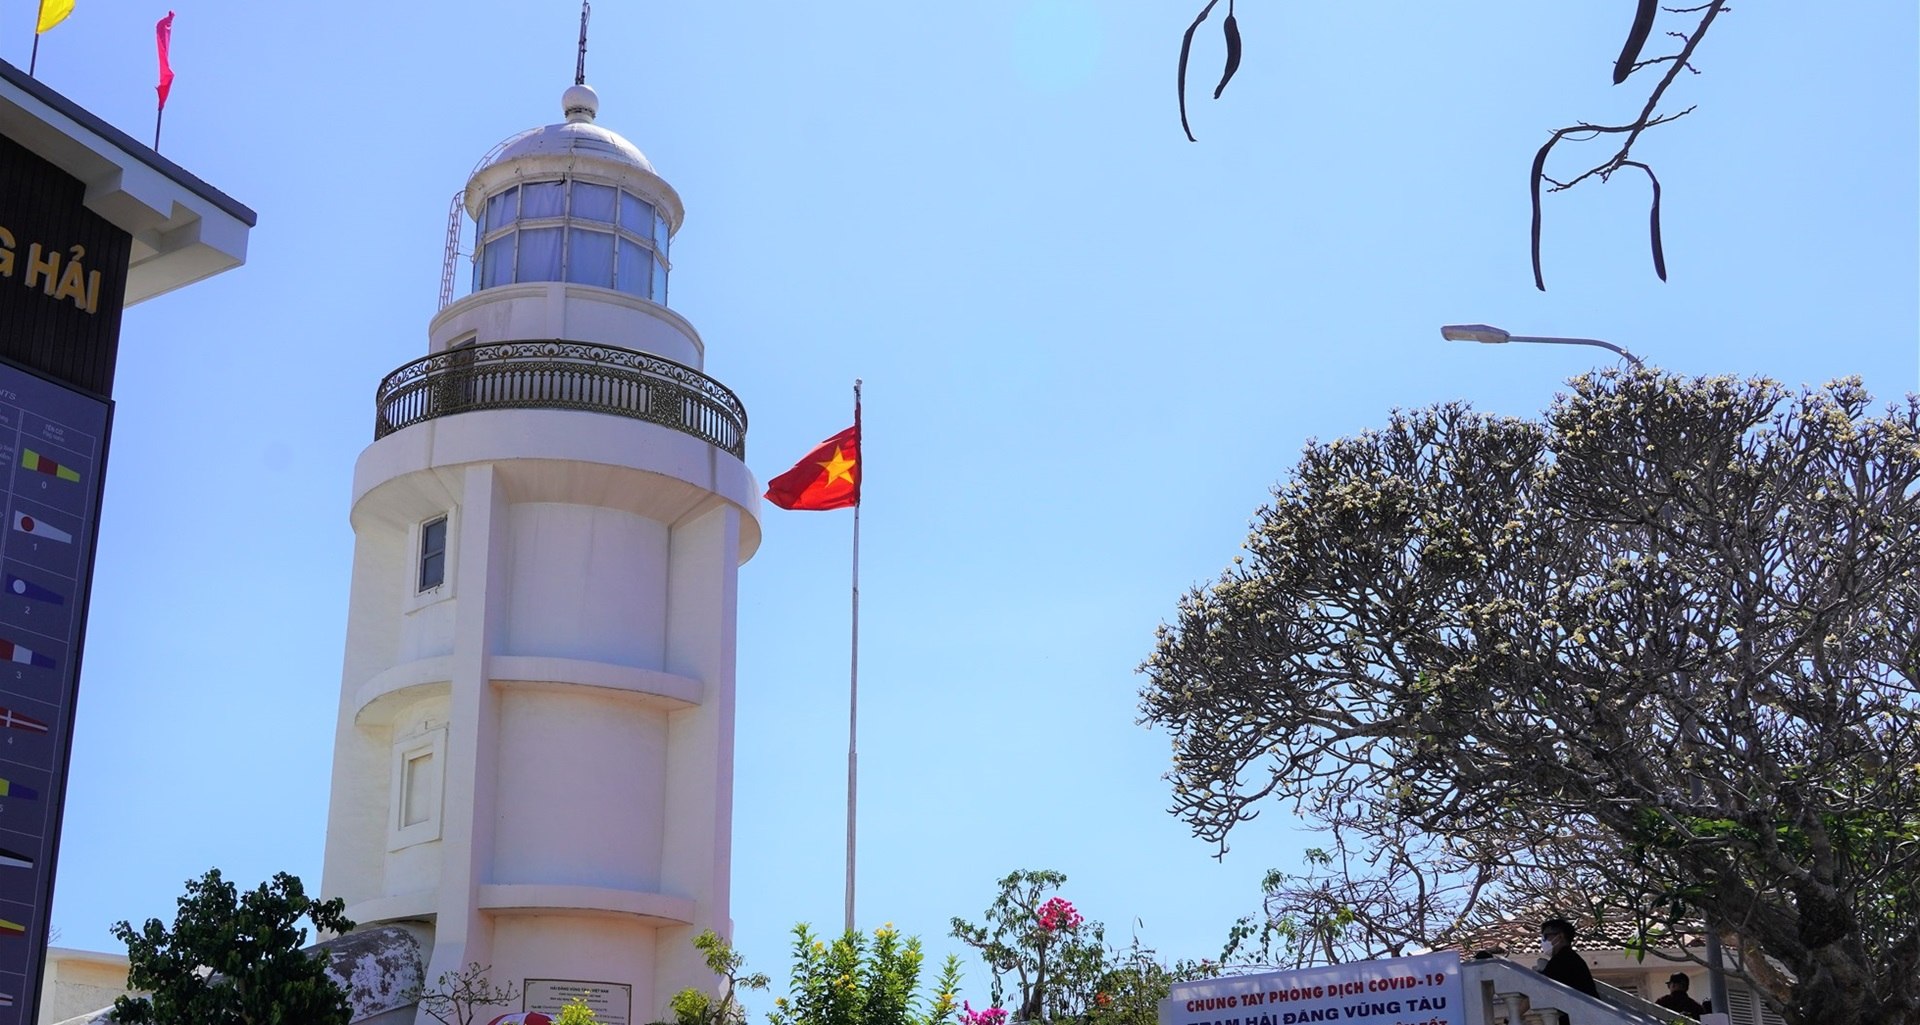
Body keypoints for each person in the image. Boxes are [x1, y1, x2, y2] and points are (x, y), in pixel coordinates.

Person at [1534, 918, 1599, 997]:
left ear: (1560, 936)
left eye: (1545, 936)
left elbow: (1541, 990)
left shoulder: (1561, 961)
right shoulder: (1571, 957)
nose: (1543, 941)